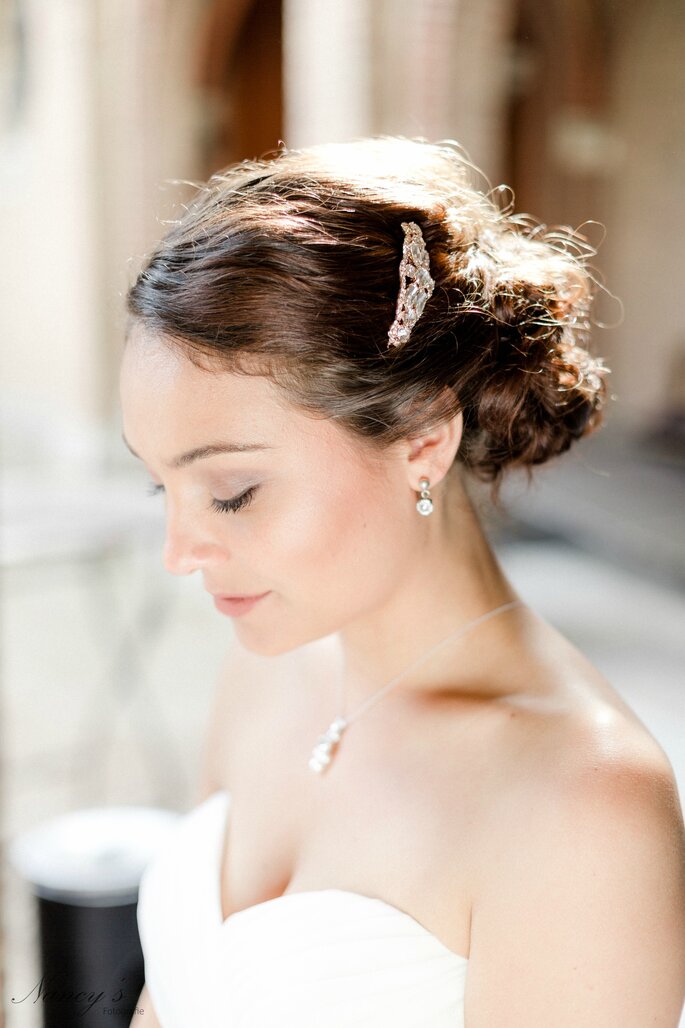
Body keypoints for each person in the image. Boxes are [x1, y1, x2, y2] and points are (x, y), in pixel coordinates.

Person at [120, 138, 685, 1027]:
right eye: (163, 485)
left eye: (232, 493)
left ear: (423, 435)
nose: (178, 551)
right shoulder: (271, 665)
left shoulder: (581, 802)